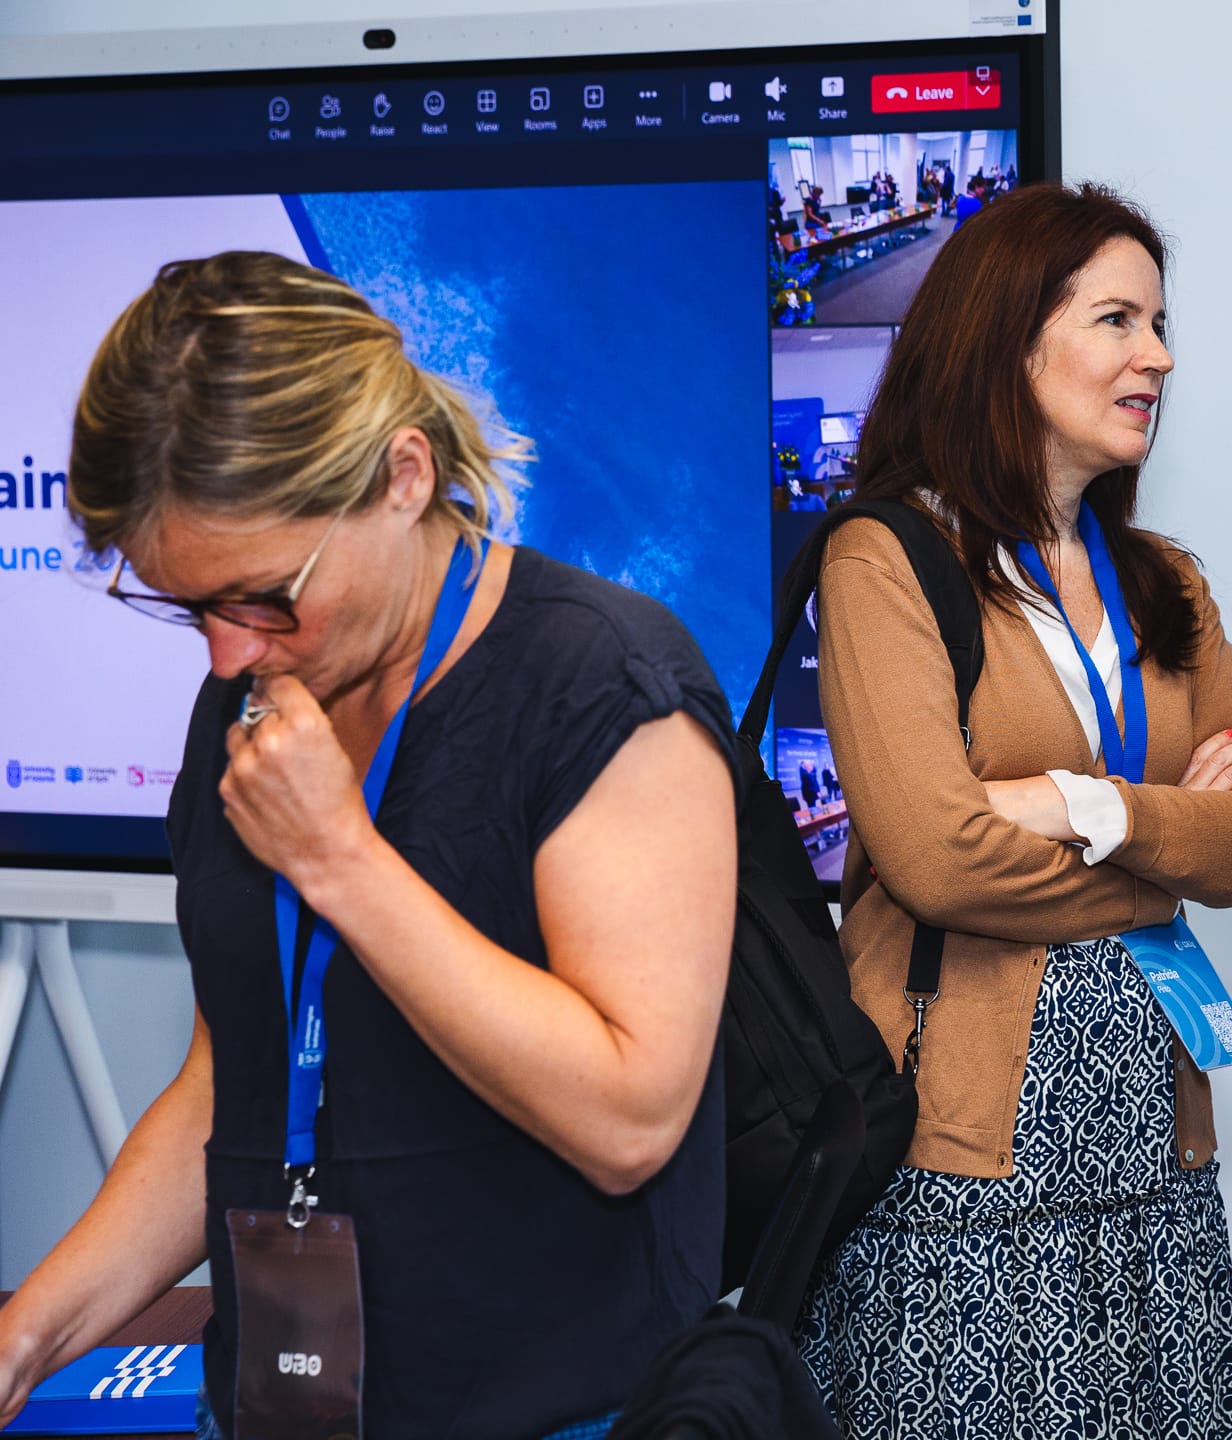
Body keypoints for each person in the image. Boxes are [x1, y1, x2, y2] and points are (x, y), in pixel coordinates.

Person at [0, 252, 739, 1439]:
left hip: (564, 1414)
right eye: (188, 607)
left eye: (263, 594)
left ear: (404, 477)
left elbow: (628, 1121)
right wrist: (24, 1338)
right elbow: (228, 1087)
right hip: (283, 1404)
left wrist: (339, 858)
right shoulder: (255, 699)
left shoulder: (601, 686)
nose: (227, 656)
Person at [795, 182, 1232, 1437]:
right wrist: (1168, 852)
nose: (1159, 356)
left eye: (1161, 324)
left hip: (1159, 1154)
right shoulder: (887, 558)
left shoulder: (1164, 583)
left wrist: (1081, 804)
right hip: (957, 1168)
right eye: (1118, 320)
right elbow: (935, 858)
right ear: (1007, 344)